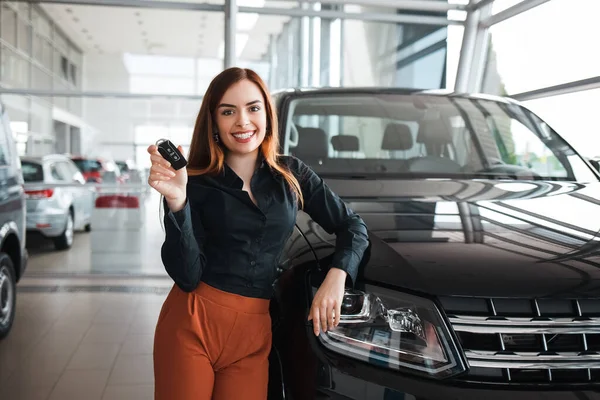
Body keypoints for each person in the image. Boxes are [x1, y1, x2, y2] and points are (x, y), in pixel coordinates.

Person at [147, 67, 369, 400]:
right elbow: (187, 275)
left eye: (253, 108)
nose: (242, 121)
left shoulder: (291, 174)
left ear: (267, 113)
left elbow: (352, 225)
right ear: (214, 121)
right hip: (192, 323)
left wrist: (338, 276)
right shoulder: (192, 182)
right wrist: (178, 202)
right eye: (228, 111)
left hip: (253, 332)